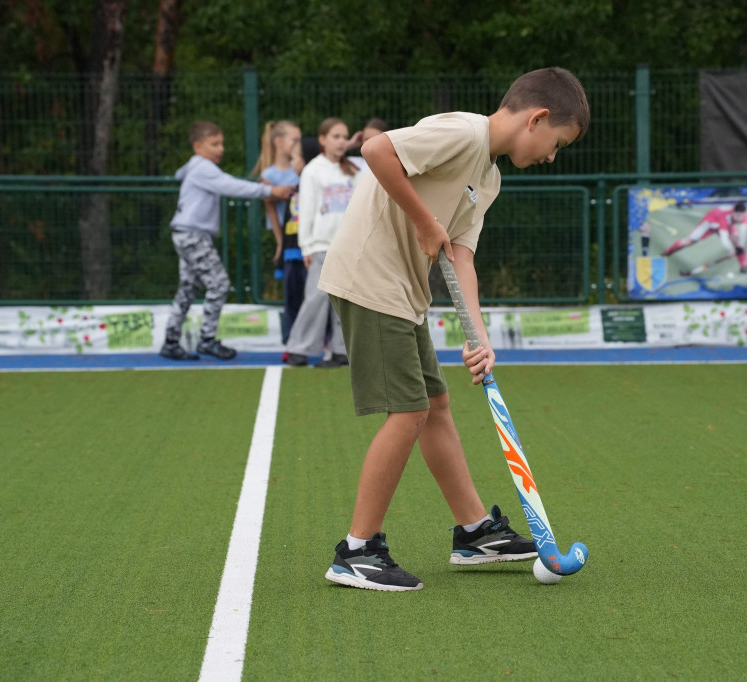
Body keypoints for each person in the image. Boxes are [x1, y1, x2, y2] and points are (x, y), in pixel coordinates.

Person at [317, 67, 590, 591]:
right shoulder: (464, 133)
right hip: (370, 276)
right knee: (410, 410)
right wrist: (423, 220)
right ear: (536, 119)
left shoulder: (489, 176)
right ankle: (356, 550)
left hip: (404, 289)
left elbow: (460, 256)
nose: (553, 156)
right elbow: (376, 150)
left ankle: (475, 533)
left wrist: (478, 337)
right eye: (557, 143)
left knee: (435, 404)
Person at [161, 120, 292, 361]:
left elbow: (180, 173)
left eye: (221, 143)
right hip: (193, 235)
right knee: (219, 284)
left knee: (189, 288)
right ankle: (207, 340)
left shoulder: (194, 165)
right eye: (214, 144)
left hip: (185, 233)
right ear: (198, 146)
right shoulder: (203, 168)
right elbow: (230, 186)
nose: (221, 149)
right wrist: (270, 191)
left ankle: (170, 340)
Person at [283, 117, 360, 368]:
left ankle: (341, 350)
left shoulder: (354, 170)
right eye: (335, 136)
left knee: (345, 301)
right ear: (322, 139)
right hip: (321, 245)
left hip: (349, 246)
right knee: (315, 298)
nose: (341, 141)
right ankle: (299, 349)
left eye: (344, 137)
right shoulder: (313, 169)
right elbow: (306, 210)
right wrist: (306, 246)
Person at [252, 120, 305, 344]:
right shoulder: (269, 174)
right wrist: (280, 242)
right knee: (292, 293)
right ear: (279, 142)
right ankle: (291, 337)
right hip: (290, 241)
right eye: (294, 140)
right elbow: (271, 210)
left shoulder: (304, 167)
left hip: (310, 236)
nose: (298, 144)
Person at [663, 201, 747, 275]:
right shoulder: (724, 217)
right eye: (737, 216)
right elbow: (724, 237)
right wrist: (730, 250)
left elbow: (743, 231)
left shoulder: (744, 215)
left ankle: (744, 266)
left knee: (737, 240)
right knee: (688, 242)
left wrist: (740, 247)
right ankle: (667, 252)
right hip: (710, 223)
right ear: (733, 212)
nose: (739, 218)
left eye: (741, 216)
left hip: (727, 225)